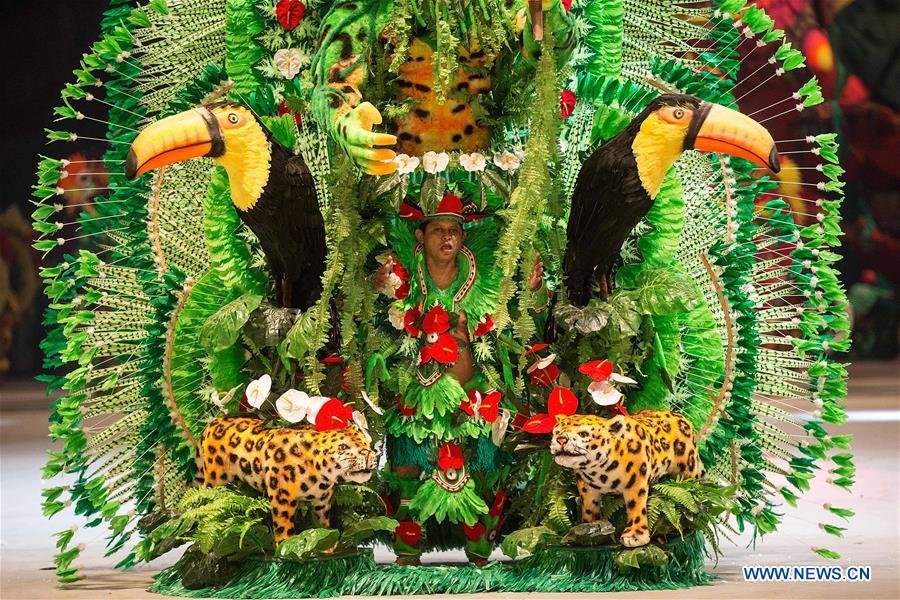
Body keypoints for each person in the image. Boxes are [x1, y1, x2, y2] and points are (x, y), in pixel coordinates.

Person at [370, 193, 547, 564]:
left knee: (483, 471)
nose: (447, 237)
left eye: (454, 230)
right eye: (438, 230)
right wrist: (377, 286)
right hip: (418, 394)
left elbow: (524, 312)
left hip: (473, 396)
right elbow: (370, 319)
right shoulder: (402, 276)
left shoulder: (484, 279)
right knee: (406, 469)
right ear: (421, 235)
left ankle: (479, 555)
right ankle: (407, 553)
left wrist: (534, 288)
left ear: (464, 236)